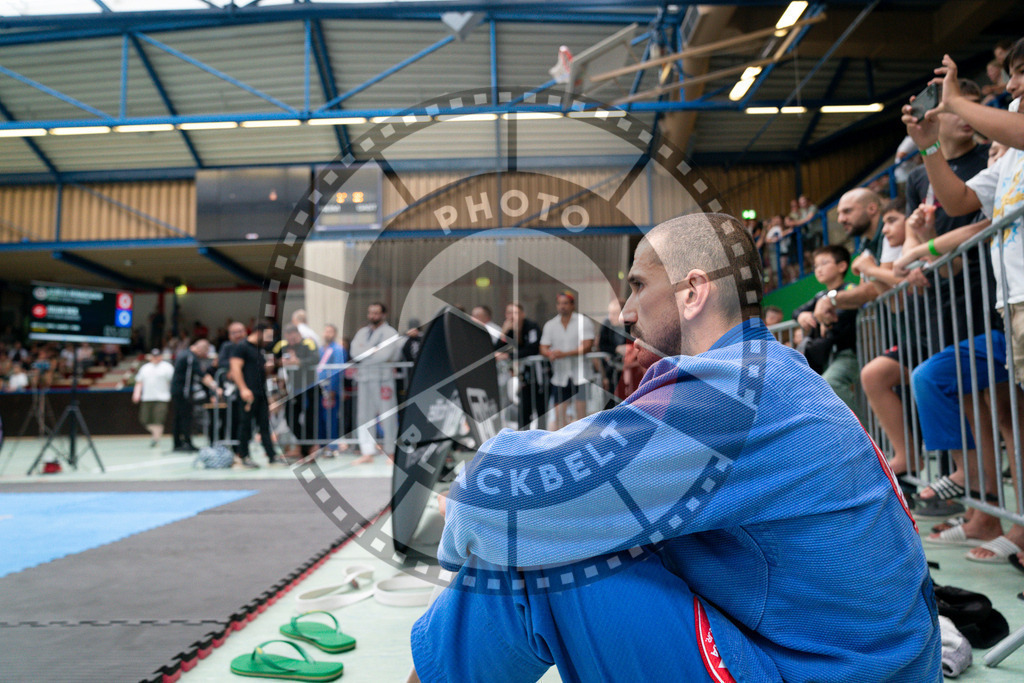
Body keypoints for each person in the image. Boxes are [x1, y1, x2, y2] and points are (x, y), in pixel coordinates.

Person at [409, 213, 940, 682]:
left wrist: (463, 511)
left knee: (534, 558)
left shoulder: (729, 395)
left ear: (692, 291)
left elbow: (507, 497)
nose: (625, 312)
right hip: (839, 659)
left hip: (816, 669)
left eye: (638, 286)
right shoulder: (769, 374)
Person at [898, 44, 1024, 559]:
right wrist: (928, 146)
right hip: (1012, 301)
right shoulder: (1011, 152)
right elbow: (958, 201)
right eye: (1012, 77)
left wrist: (953, 100)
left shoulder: (1012, 134)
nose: (1012, 87)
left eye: (1021, 77)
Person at [794, 246, 862, 417]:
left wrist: (821, 319)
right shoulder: (820, 296)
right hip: (824, 356)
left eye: (824, 263)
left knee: (831, 383)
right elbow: (797, 311)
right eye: (816, 266)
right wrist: (802, 315)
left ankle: (861, 433)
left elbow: (842, 317)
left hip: (847, 353)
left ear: (842, 266)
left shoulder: (850, 290)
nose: (819, 269)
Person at [350, 302, 402, 465]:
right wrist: (372, 351)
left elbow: (384, 355)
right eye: (371, 313)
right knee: (364, 417)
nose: (373, 316)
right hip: (365, 378)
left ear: (383, 315)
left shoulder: (390, 332)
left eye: (376, 313)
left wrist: (366, 352)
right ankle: (367, 452)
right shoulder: (362, 332)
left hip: (383, 379)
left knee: (388, 415)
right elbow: (354, 353)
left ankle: (391, 452)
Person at [540, 292, 594, 429]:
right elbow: (543, 347)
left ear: (572, 305)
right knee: (559, 415)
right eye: (559, 303)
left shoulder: (583, 322)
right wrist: (549, 353)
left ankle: (582, 441)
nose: (562, 306)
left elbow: (587, 345)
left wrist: (565, 354)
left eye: (565, 303)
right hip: (560, 375)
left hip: (580, 374)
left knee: (581, 413)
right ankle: (564, 444)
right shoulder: (550, 324)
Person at [230, 326, 279, 468]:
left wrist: (268, 368)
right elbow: (235, 368)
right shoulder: (241, 347)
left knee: (264, 425)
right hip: (248, 393)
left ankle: (272, 456)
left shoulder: (258, 350)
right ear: (259, 333)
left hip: (260, 392)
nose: (268, 341)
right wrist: (243, 388)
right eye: (267, 336)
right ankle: (243, 456)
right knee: (245, 425)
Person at [273, 324, 319, 458]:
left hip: (310, 387)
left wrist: (298, 362)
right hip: (293, 389)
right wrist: (279, 362)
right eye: (289, 339)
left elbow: (315, 358)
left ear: (298, 334)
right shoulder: (282, 345)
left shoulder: (308, 343)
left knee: (310, 419)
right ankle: (306, 447)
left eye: (294, 338)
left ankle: (310, 449)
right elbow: (272, 358)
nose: (291, 342)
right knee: (290, 418)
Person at [499, 302, 543, 429]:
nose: (512, 316)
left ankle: (543, 440)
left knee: (541, 409)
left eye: (515, 313)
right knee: (524, 410)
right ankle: (523, 440)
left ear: (522, 314)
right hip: (523, 377)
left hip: (539, 375)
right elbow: (498, 348)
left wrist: (510, 356)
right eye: (509, 313)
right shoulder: (510, 330)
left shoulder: (531, 327)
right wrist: (504, 332)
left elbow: (533, 348)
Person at [170, 338, 210, 453]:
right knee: (186, 417)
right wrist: (214, 386)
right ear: (201, 349)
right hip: (184, 392)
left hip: (177, 391)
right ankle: (187, 443)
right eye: (205, 352)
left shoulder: (184, 354)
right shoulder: (190, 357)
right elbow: (201, 374)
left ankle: (177, 443)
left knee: (178, 417)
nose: (205, 355)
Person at [317, 323, 348, 454]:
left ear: (335, 334)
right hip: (319, 388)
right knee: (320, 418)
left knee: (331, 418)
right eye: (326, 331)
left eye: (330, 331)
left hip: (330, 389)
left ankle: (333, 446)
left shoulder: (338, 349)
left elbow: (338, 370)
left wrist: (333, 389)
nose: (327, 334)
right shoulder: (321, 349)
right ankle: (321, 445)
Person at [132, 349, 174, 447]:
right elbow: (139, 382)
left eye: (157, 356)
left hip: (161, 398)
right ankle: (155, 435)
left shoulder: (167, 367)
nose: (155, 358)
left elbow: (172, 381)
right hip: (147, 397)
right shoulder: (145, 368)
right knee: (144, 419)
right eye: (154, 356)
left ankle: (156, 439)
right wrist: (136, 393)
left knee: (158, 420)